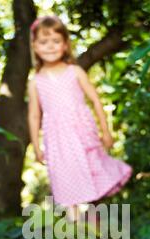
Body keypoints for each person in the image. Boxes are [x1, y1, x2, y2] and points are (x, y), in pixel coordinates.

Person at [28, 15, 133, 222]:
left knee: (93, 169)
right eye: (44, 42)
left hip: (82, 131)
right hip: (57, 138)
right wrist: (36, 146)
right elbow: (33, 115)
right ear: (35, 47)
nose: (50, 47)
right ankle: (75, 227)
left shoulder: (74, 71)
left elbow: (95, 100)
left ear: (65, 45)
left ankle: (98, 219)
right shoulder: (36, 82)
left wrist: (106, 131)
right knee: (64, 176)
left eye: (56, 41)